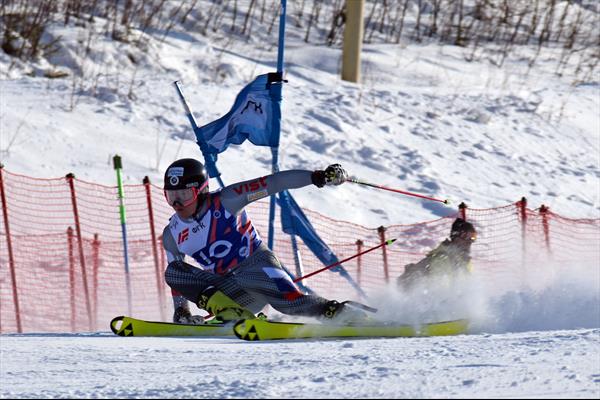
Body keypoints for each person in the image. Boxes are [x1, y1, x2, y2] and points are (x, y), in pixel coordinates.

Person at [161, 158, 364, 324]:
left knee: (290, 303)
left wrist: (316, 176)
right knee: (174, 270)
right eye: (171, 196)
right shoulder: (172, 233)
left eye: (185, 195)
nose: (177, 203)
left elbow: (273, 184)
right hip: (230, 289)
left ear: (202, 191)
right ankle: (229, 311)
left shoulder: (228, 200)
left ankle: (337, 312)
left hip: (257, 266)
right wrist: (181, 311)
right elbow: (179, 280)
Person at [397, 218, 477, 290]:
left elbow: (467, 287)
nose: (469, 241)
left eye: (473, 237)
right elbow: (438, 290)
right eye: (465, 236)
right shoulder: (442, 258)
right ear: (455, 236)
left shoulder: (464, 261)